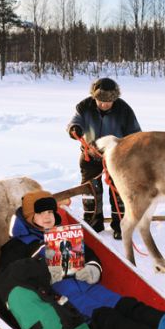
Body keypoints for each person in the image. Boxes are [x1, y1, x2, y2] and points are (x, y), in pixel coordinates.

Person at [0, 190, 164, 329]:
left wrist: (93, 268)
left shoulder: (63, 234)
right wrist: (45, 270)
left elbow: (89, 254)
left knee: (130, 306)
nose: (47, 217)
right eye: (41, 213)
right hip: (64, 299)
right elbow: (10, 279)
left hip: (89, 286)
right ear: (29, 217)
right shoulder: (16, 246)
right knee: (111, 321)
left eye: (50, 211)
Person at [67, 78, 141, 239]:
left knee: (119, 191)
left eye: (108, 101)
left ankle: (121, 225)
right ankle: (93, 223)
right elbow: (75, 121)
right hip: (90, 155)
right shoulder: (84, 106)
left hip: (117, 157)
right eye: (100, 100)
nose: (104, 104)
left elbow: (135, 134)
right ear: (94, 97)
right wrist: (75, 129)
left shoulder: (124, 109)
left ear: (114, 98)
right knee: (90, 190)